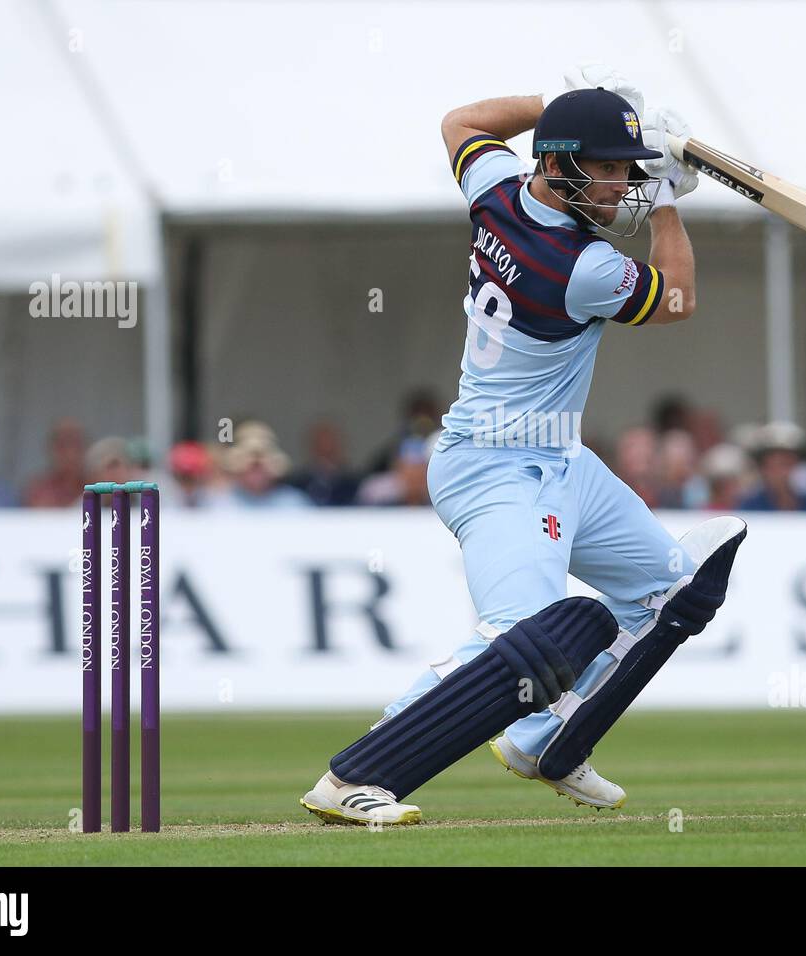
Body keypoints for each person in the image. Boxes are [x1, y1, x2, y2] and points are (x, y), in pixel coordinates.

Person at [302, 65, 747, 826]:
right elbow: (678, 299)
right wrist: (669, 202)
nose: (621, 188)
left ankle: (550, 739)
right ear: (556, 164)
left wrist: (567, 108)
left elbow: (461, 121)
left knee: (676, 587)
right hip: (497, 467)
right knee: (523, 633)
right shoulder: (580, 267)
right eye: (606, 170)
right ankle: (357, 774)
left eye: (628, 173)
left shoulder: (496, 189)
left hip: (559, 458)